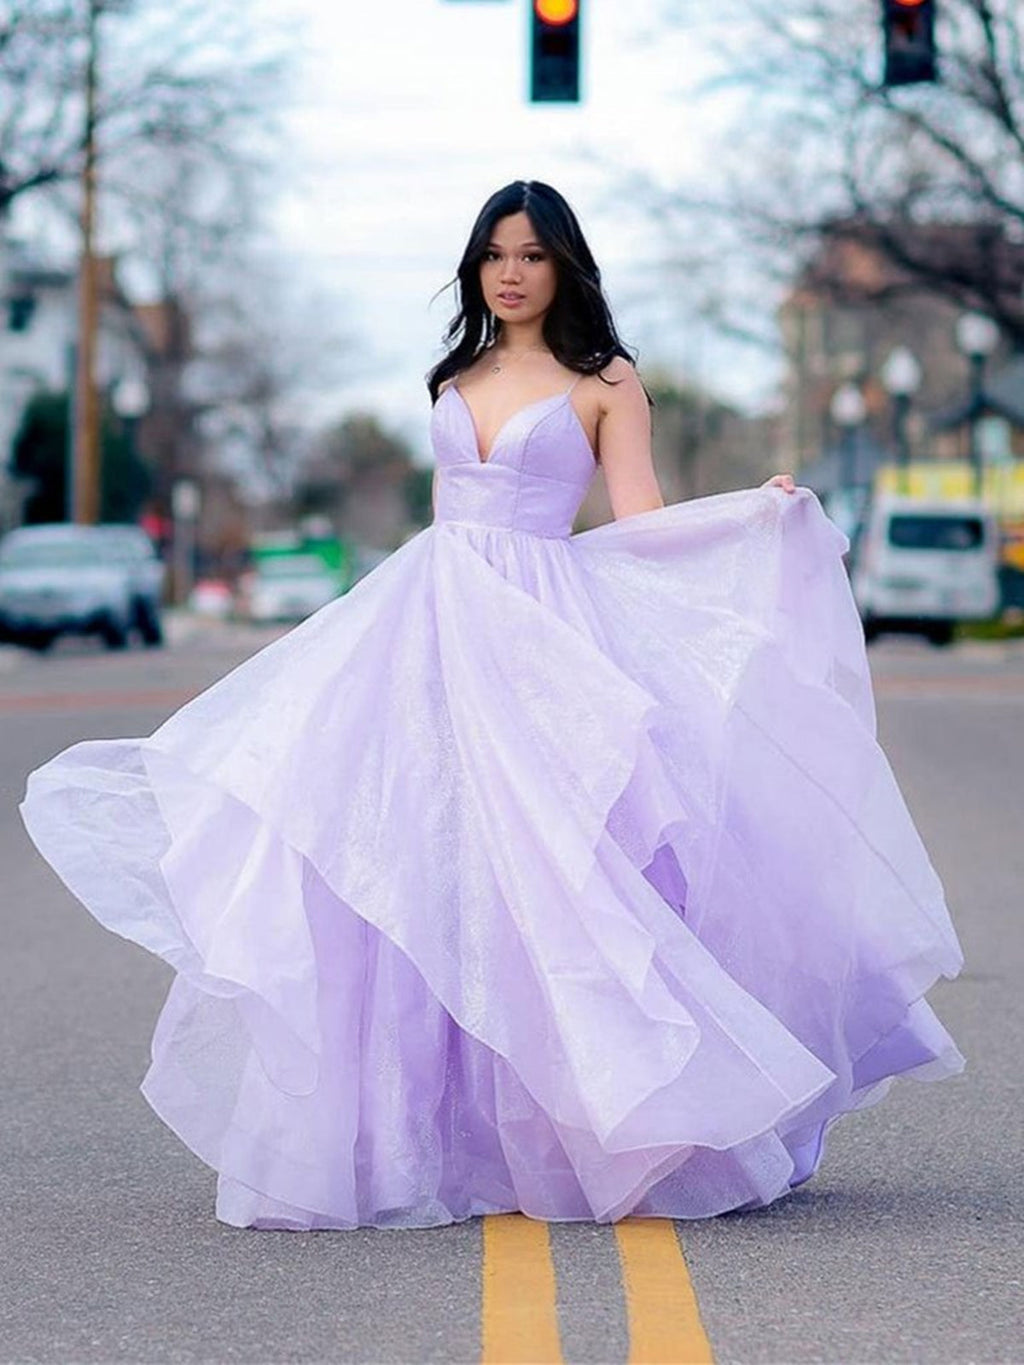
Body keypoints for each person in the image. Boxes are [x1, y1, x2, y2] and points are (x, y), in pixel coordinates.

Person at [20, 181, 964, 1231]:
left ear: (565, 265)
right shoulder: (455, 373)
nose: (510, 272)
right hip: (426, 625)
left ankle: (593, 1125)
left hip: (541, 631)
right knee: (413, 859)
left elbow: (638, 521)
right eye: (494, 254)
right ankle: (421, 1136)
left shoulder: (607, 382)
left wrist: (753, 518)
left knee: (555, 873)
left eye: (531, 254)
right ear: (476, 267)